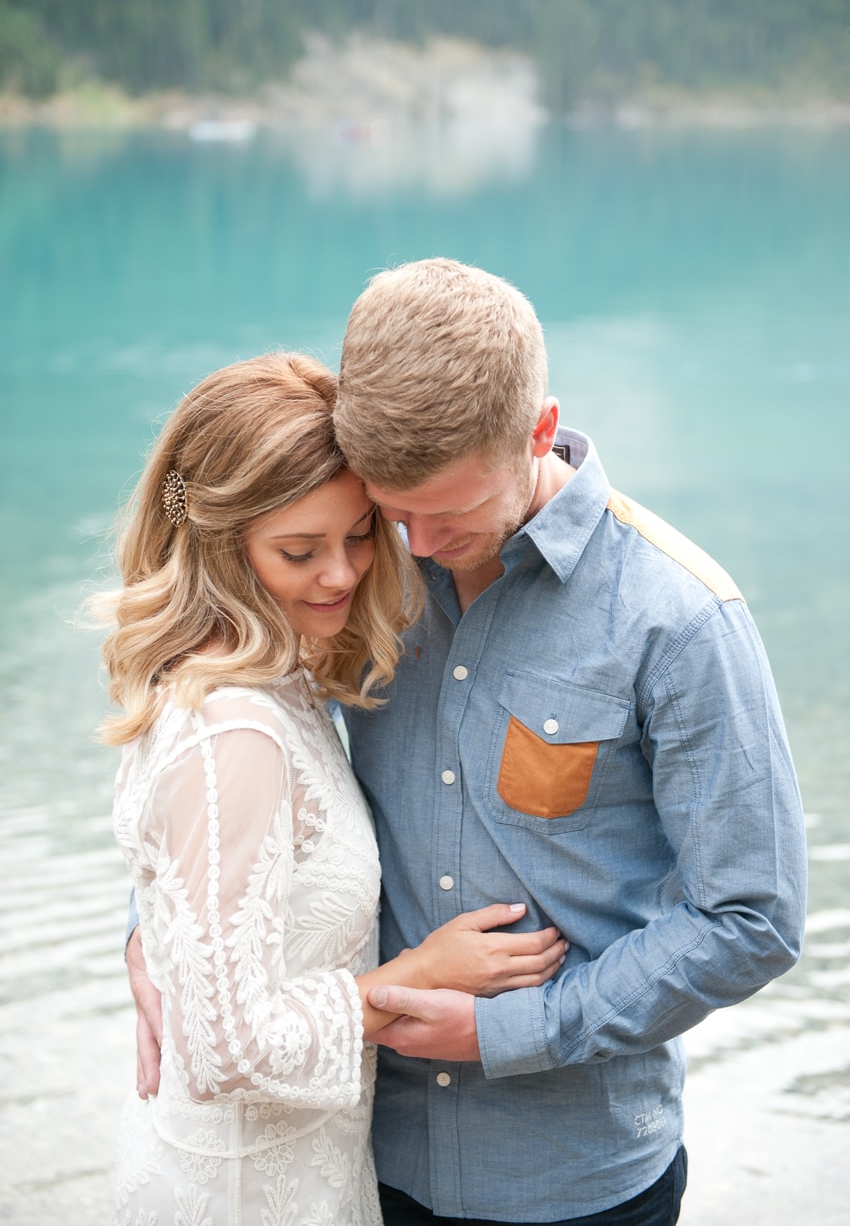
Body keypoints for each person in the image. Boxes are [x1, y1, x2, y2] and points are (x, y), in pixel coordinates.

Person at [129, 260, 807, 1225]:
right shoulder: (361, 573)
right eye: (391, 514)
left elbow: (753, 918)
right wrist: (147, 931)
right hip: (366, 1156)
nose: (416, 545)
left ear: (539, 430)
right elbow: (222, 770)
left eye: (447, 513)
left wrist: (509, 1029)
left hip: (575, 1181)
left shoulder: (681, 620)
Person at [100, 350, 567, 1226]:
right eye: (299, 550)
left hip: (304, 1165)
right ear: (218, 544)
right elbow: (225, 1048)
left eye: (360, 533)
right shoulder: (237, 727)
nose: (344, 574)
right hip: (245, 1192)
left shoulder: (281, 681)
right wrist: (413, 976)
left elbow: (203, 883)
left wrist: (152, 933)